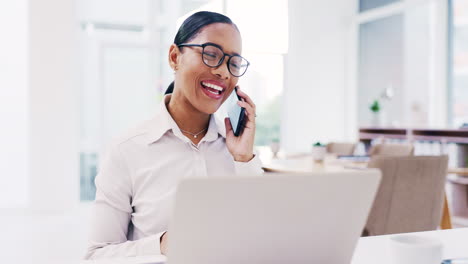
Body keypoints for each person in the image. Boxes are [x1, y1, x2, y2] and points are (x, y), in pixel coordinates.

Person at [84, 11, 263, 259]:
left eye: (233, 64)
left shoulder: (239, 153)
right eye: (211, 54)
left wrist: (244, 159)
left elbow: (261, 239)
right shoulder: (127, 150)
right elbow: (97, 255)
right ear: (174, 57)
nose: (224, 72)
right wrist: (163, 244)